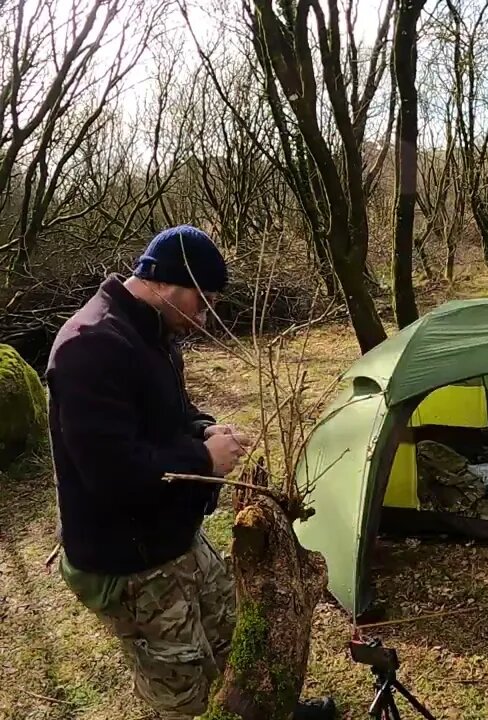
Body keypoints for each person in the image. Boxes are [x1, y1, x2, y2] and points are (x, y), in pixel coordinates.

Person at [46, 226, 335, 720]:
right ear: (166, 281)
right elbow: (111, 474)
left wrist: (204, 428)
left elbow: (168, 417)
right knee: (183, 697)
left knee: (237, 646)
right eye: (201, 303)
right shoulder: (90, 346)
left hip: (175, 534)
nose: (203, 318)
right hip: (129, 562)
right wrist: (203, 460)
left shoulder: (153, 333)